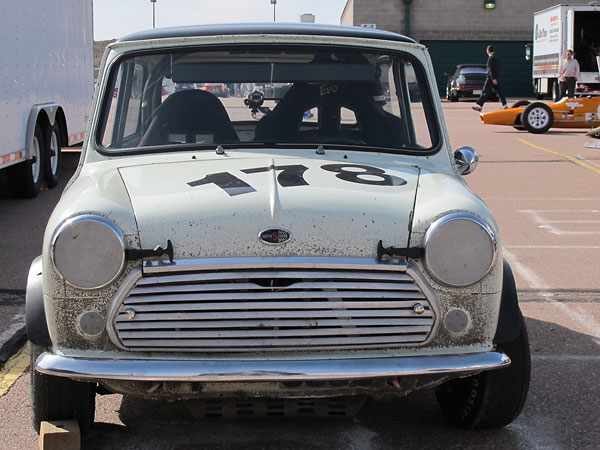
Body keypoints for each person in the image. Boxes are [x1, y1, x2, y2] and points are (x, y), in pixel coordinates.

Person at [472, 45, 507, 112]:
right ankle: (505, 105)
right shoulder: (497, 57)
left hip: (491, 78)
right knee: (500, 92)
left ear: (488, 51)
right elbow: (497, 69)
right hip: (497, 77)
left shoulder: (491, 58)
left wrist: (493, 78)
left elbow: (491, 69)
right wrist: (497, 78)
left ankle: (479, 106)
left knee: (485, 91)